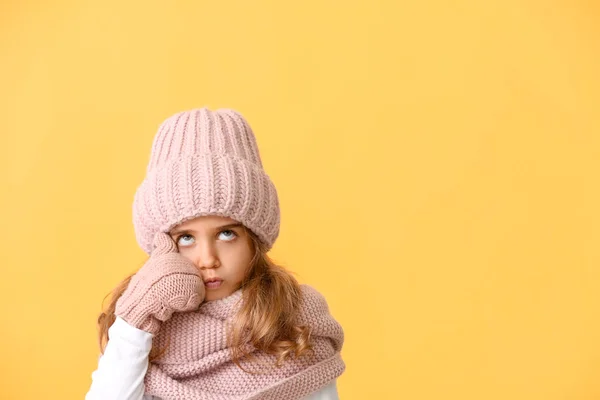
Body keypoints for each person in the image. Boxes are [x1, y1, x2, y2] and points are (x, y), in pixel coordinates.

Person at [85, 108, 346, 399]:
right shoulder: (144, 336)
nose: (208, 259)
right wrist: (136, 319)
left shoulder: (295, 324)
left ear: (254, 239)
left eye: (226, 234)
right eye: (186, 238)